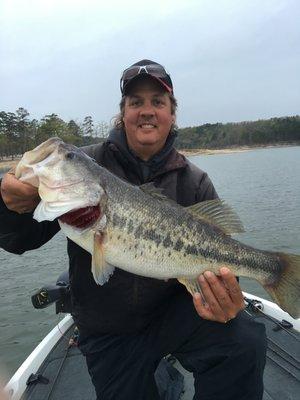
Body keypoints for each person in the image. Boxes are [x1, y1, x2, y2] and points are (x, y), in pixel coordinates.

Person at [0, 60, 267, 400]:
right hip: (107, 328)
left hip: (177, 314)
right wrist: (7, 205)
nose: (147, 111)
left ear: (172, 114)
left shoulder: (195, 181)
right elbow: (19, 239)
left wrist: (226, 296)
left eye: (158, 102)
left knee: (244, 341)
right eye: (135, 102)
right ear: (122, 113)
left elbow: (220, 256)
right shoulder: (81, 169)